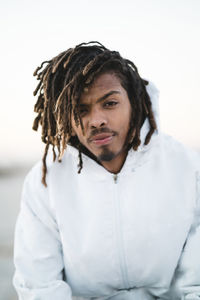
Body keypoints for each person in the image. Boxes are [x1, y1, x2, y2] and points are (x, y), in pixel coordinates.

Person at [13, 41, 200, 300]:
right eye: (81, 110)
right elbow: (40, 286)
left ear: (134, 102)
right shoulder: (45, 181)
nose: (97, 120)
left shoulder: (188, 169)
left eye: (110, 103)